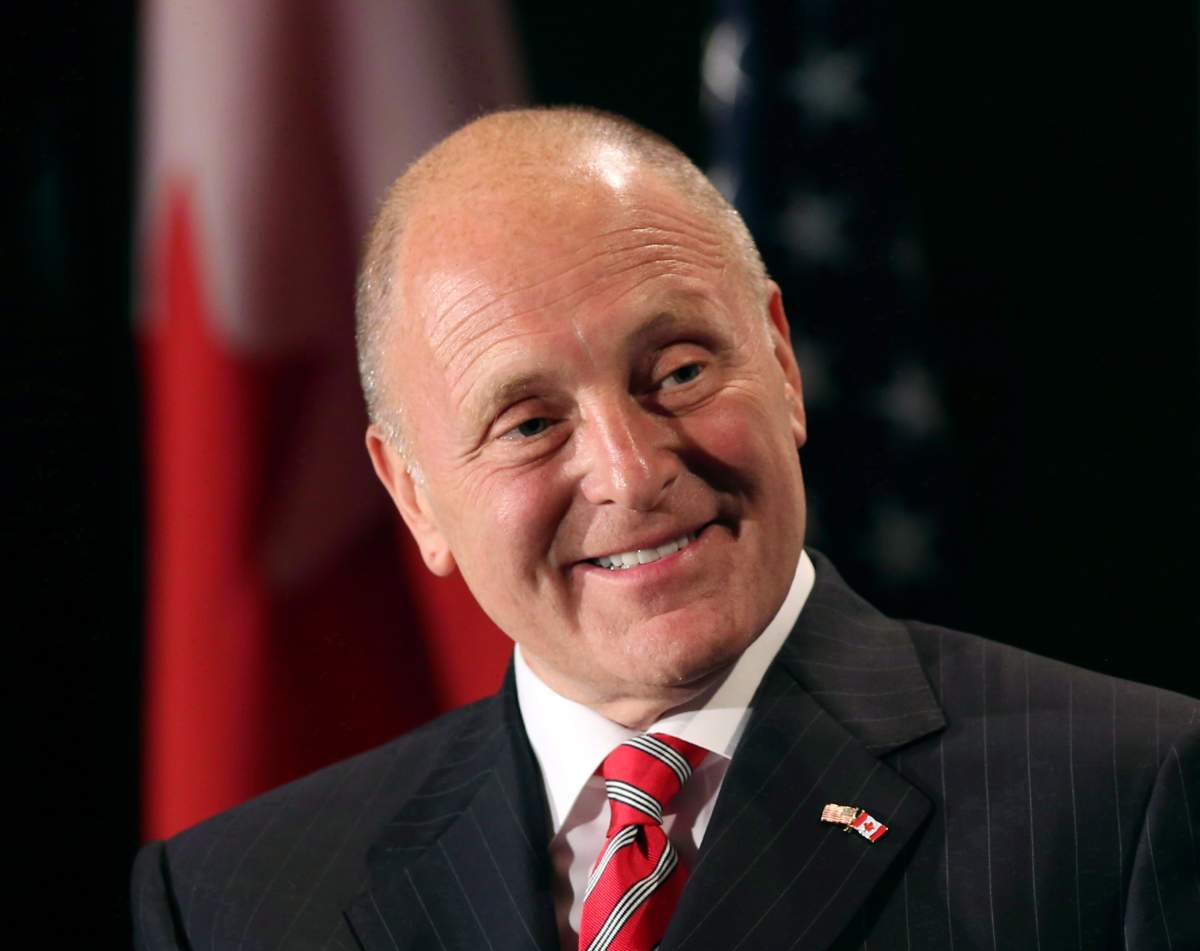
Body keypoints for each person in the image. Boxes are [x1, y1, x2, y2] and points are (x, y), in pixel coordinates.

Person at [132, 108, 1198, 951]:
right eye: (531, 423)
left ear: (780, 363)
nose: (631, 472)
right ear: (413, 493)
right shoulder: (234, 901)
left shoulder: (1127, 800)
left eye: (680, 371)